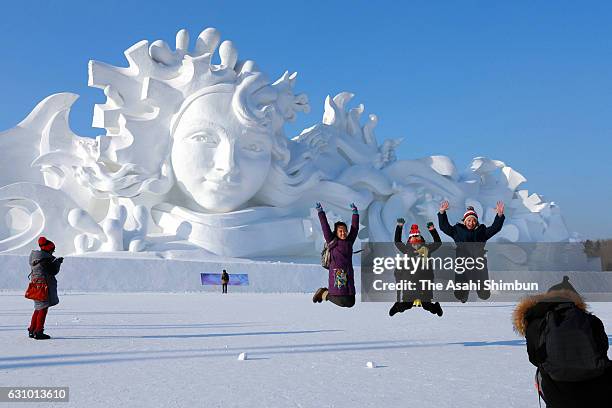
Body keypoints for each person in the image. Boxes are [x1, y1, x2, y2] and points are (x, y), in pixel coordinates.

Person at [513, 277, 612, 407]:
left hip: (557, 393)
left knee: (541, 372)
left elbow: (535, 358)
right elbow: (602, 350)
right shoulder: (590, 320)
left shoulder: (535, 322)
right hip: (600, 391)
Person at [437, 200, 505, 302]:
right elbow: (444, 227)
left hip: (478, 263)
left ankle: (481, 292)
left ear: (476, 221)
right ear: (465, 221)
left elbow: (495, 228)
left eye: (473, 220)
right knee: (459, 294)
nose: (471, 223)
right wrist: (442, 213)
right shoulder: (457, 231)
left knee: (484, 295)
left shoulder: (482, 232)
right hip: (463, 263)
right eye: (469, 220)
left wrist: (499, 215)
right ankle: (463, 294)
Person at [389, 220, 443, 317]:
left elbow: (438, 243)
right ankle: (397, 307)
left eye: (417, 236)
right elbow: (397, 241)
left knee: (426, 305)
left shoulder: (426, 248)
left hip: (424, 283)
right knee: (407, 304)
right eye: (413, 237)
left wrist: (432, 230)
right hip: (409, 282)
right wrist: (399, 227)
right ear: (409, 240)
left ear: (421, 238)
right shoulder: (406, 249)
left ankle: (436, 308)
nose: (415, 239)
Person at [312, 202, 359, 308]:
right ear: (336, 233)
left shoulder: (349, 241)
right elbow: (325, 227)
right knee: (343, 301)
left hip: (349, 274)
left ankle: (324, 294)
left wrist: (355, 213)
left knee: (351, 302)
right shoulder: (332, 241)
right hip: (338, 274)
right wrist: (320, 212)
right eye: (340, 231)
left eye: (345, 231)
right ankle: (324, 293)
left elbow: (355, 229)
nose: (343, 233)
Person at [27, 237, 63, 340]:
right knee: (43, 308)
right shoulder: (45, 259)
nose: (53, 252)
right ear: (49, 249)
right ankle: (39, 332)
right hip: (43, 286)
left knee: (38, 308)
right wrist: (57, 262)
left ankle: (32, 330)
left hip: (36, 285)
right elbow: (53, 271)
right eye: (52, 250)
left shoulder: (36, 257)